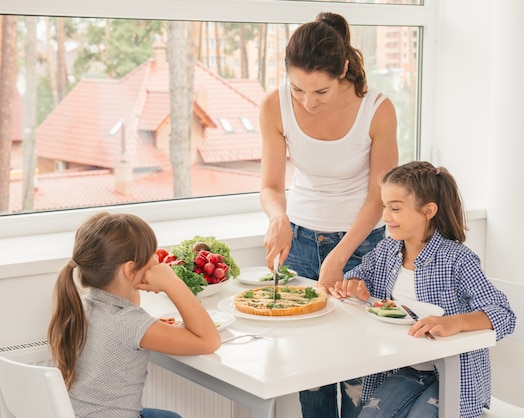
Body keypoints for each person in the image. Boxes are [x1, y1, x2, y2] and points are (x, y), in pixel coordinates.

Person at [259, 11, 398, 418]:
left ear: (341, 71)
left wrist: (340, 255)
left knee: (358, 368)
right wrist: (277, 218)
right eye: (297, 88)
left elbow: (380, 196)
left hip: (362, 244)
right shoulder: (275, 105)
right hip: (299, 240)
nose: (308, 101)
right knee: (312, 369)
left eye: (319, 91)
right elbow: (270, 185)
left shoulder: (377, 109)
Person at [330, 161, 517, 418]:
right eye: (384, 207)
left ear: (428, 210)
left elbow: (504, 314)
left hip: (454, 375)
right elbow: (362, 273)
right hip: (404, 370)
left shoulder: (457, 260)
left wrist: (454, 323)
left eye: (395, 208)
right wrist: (354, 284)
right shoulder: (387, 250)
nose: (385, 217)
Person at [47, 212, 221, 418]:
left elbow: (123, 328)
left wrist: (151, 323)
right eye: (151, 256)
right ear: (130, 269)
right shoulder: (128, 322)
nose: (157, 260)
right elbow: (209, 340)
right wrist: (172, 283)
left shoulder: (82, 305)